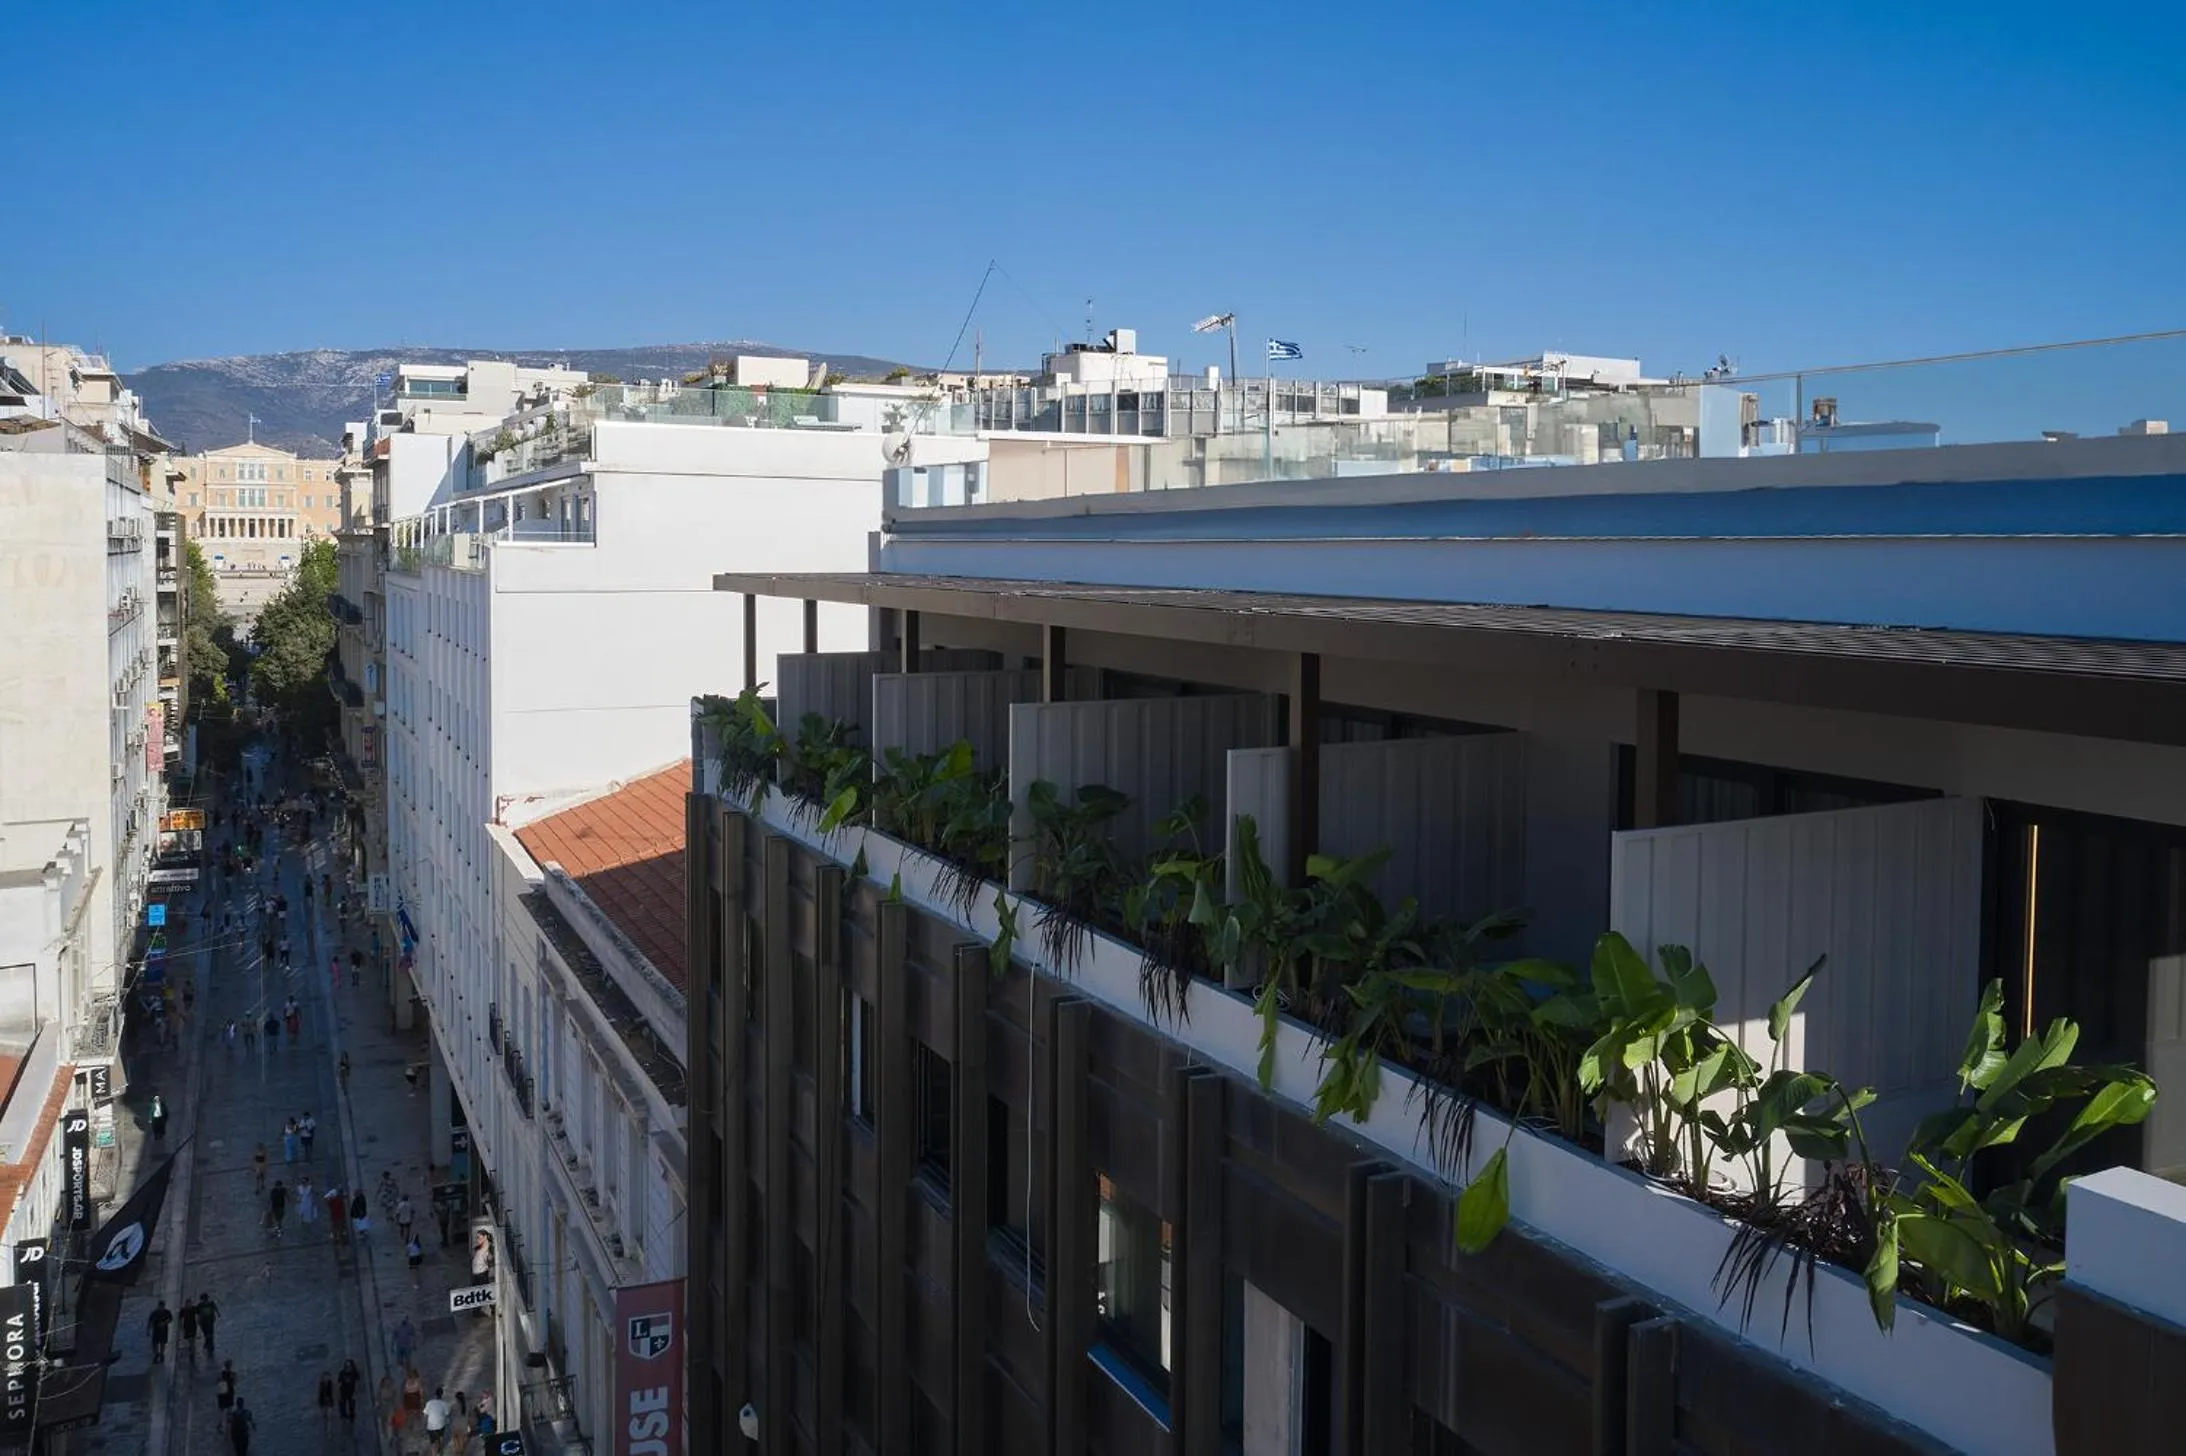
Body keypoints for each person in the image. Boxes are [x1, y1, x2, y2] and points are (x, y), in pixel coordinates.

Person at [423, 1386, 452, 1451]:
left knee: (432, 1442)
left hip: (431, 1426)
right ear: (442, 1394)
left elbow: (425, 1414)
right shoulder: (444, 1404)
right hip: (440, 1425)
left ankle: (434, 1453)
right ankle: (440, 1449)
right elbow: (447, 1414)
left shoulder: (429, 1403)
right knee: (441, 1436)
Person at [214, 1357, 237, 1431]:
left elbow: (217, 1381)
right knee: (229, 1407)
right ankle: (228, 1423)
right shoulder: (232, 1374)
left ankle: (220, 1423)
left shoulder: (221, 1374)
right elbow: (234, 1382)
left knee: (221, 1409)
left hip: (222, 1392)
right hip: (229, 1392)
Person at [178, 1292, 199, 1357]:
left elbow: (198, 1314)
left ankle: (192, 1349)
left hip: (193, 1325)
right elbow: (180, 1319)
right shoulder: (183, 1310)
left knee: (192, 1338)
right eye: (187, 1304)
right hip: (186, 1325)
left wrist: (199, 1321)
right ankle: (191, 1347)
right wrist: (181, 1326)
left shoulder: (194, 1309)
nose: (189, 1305)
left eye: (189, 1303)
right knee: (189, 1338)